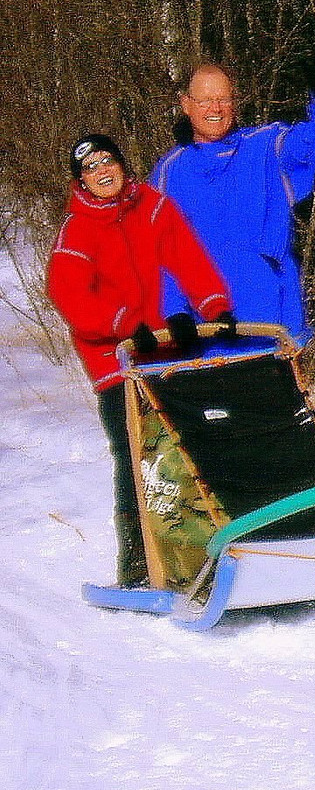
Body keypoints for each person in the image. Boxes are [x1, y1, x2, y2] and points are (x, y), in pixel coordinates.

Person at [47, 134, 237, 587]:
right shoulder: (77, 229)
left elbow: (187, 258)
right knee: (137, 458)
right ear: (81, 181)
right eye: (91, 168)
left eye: (107, 160)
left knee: (191, 447)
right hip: (115, 361)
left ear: (121, 164)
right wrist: (124, 324)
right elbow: (68, 295)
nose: (102, 171)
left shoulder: (151, 206)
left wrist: (214, 307)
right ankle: (137, 563)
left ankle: (201, 549)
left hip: (160, 351)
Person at [151, 38, 315, 350]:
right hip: (206, 333)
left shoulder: (266, 147)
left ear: (234, 102)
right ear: (185, 104)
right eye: (205, 100)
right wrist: (175, 312)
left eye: (223, 99)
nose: (215, 108)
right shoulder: (169, 172)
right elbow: (160, 254)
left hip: (274, 329)